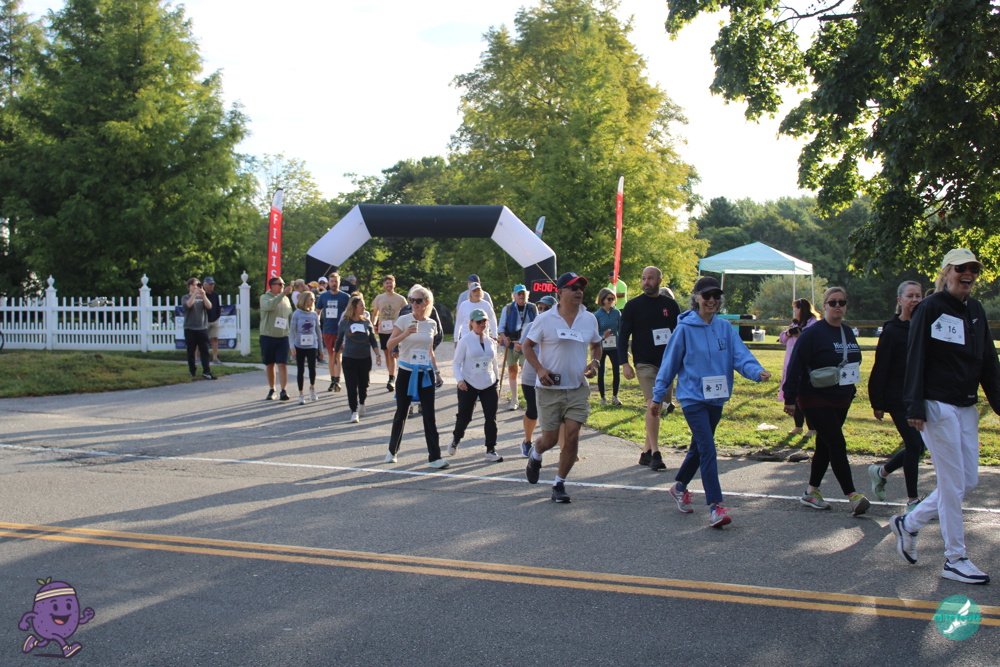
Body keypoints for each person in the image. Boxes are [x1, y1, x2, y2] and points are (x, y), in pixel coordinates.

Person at [891, 249, 999, 585]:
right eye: (962, 268)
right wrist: (914, 406)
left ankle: (909, 523)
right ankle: (955, 558)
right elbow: (916, 356)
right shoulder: (930, 308)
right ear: (946, 272)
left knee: (968, 481)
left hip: (966, 405)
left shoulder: (976, 310)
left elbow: (988, 362)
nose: (969, 274)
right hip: (936, 405)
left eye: (973, 270)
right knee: (952, 483)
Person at [651, 277, 771, 528]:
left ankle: (679, 487)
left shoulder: (725, 328)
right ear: (696, 298)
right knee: (708, 448)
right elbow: (669, 364)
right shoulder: (684, 329)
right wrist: (658, 396)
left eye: (716, 296)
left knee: (699, 448)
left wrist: (756, 372)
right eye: (706, 296)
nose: (712, 300)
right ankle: (716, 506)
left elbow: (740, 356)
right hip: (692, 398)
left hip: (716, 398)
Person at [783, 286, 870, 515]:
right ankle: (853, 495)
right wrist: (789, 398)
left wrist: (850, 391)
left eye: (842, 302)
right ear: (824, 306)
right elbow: (795, 365)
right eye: (833, 302)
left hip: (841, 398)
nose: (838, 306)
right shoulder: (812, 334)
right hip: (814, 397)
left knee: (825, 444)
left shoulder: (848, 332)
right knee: (837, 444)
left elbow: (854, 361)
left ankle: (811, 492)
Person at [522, 272, 602, 503]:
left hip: (577, 388)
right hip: (549, 389)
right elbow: (527, 346)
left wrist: (595, 362)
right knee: (549, 440)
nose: (579, 291)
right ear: (560, 292)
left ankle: (559, 484)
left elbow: (596, 345)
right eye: (573, 287)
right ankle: (536, 454)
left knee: (572, 436)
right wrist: (539, 369)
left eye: (581, 288)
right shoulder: (545, 319)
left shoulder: (589, 318)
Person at [867, 281, 925, 510]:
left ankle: (881, 472)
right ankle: (912, 501)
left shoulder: (925, 326)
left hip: (920, 396)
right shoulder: (892, 330)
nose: (915, 300)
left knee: (918, 447)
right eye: (910, 296)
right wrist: (877, 402)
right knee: (913, 444)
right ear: (900, 300)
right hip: (897, 397)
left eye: (918, 296)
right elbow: (881, 367)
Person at [617, 266, 681, 471]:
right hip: (644, 362)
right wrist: (624, 363)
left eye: (650, 278)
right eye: (643, 278)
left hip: (667, 364)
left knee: (658, 407)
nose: (646, 282)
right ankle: (655, 453)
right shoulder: (633, 306)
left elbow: (680, 334)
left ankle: (645, 452)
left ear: (659, 281)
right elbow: (623, 336)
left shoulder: (670, 305)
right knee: (654, 404)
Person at [385, 285, 449, 469]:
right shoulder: (404, 320)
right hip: (406, 371)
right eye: (412, 300)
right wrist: (406, 333)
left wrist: (437, 372)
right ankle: (392, 451)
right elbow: (389, 344)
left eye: (418, 300)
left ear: (427, 303)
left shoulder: (431, 324)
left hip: (425, 373)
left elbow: (430, 351)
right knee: (402, 412)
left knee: (429, 415)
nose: (414, 303)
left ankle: (435, 457)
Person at [448, 308, 503, 462]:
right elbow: (456, 363)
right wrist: (460, 380)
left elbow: (494, 363)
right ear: (471, 323)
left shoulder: (491, 341)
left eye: (484, 321)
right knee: (465, 417)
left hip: (489, 383)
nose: (481, 324)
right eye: (478, 321)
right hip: (469, 383)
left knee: (491, 417)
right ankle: (456, 438)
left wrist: (497, 381)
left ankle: (490, 449)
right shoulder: (465, 340)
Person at [516, 295, 556, 456]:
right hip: (531, 375)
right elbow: (522, 347)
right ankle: (527, 441)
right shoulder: (531, 326)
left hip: (552, 375)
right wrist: (518, 347)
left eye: (547, 308)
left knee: (556, 412)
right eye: (540, 308)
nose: (542, 311)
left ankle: (566, 447)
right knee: (533, 410)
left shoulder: (560, 327)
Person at [336, 293, 381, 423]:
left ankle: (362, 402)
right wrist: (335, 356)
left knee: (364, 384)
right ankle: (354, 411)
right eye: (362, 305)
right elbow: (339, 340)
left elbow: (372, 339)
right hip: (349, 358)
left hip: (364, 358)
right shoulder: (345, 322)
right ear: (354, 307)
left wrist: (377, 354)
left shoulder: (366, 322)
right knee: (351, 385)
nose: (364, 308)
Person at [779, 298, 820, 436]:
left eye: (796, 308)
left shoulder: (814, 324)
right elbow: (782, 339)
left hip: (807, 365)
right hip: (792, 365)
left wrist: (800, 335)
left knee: (807, 397)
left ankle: (812, 428)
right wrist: (789, 333)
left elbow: (814, 340)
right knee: (795, 395)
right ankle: (798, 425)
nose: (794, 311)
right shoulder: (795, 323)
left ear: (802, 309)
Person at [497, 284, 537, 411]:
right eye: (519, 294)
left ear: (527, 294)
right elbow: (501, 328)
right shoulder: (508, 309)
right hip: (511, 344)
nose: (521, 296)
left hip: (527, 345)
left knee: (526, 370)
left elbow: (537, 325)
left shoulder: (532, 308)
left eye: (523, 293)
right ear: (514, 295)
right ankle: (514, 399)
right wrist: (505, 338)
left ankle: (529, 398)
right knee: (512, 371)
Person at [371, 275, 407, 393]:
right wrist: (373, 325)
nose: (389, 285)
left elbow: (406, 313)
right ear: (383, 285)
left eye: (391, 283)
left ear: (394, 284)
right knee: (387, 354)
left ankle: (392, 379)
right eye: (387, 283)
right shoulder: (379, 298)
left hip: (395, 330)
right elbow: (375, 313)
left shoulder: (400, 299)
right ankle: (391, 375)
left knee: (392, 354)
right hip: (383, 330)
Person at [260, 276, 293, 401]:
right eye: (279, 284)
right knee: (270, 364)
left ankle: (283, 390)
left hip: (283, 336)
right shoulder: (265, 297)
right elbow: (269, 306)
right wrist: (282, 294)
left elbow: (289, 315)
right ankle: (272, 388)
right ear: (272, 285)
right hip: (268, 336)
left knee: (282, 363)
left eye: (283, 284)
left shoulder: (286, 299)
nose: (282, 286)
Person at [317, 272, 351, 392]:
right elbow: (317, 312)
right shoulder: (323, 296)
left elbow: (350, 312)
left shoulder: (345, 297)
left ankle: (337, 380)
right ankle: (333, 380)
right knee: (331, 355)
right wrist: (316, 325)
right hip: (327, 329)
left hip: (340, 331)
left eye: (336, 281)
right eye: (332, 281)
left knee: (338, 354)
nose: (334, 283)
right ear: (328, 283)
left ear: (339, 282)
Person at [290, 290, 322, 404]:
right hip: (299, 344)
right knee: (300, 369)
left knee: (312, 368)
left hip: (312, 344)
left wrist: (320, 349)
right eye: (311, 299)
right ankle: (301, 393)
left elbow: (318, 332)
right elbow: (291, 331)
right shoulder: (297, 314)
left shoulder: (314, 314)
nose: (313, 301)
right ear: (305, 300)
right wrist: (292, 346)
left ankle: (312, 387)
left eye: (314, 299)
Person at [183, 277, 216, 380]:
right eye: (193, 285)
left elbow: (209, 306)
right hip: (190, 328)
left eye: (197, 285)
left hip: (202, 328)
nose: (195, 287)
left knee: (204, 351)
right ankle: (192, 371)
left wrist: (203, 295)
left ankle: (207, 371)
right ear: (189, 286)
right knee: (191, 351)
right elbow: (188, 305)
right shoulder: (186, 297)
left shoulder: (202, 297)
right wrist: (194, 294)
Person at [594, 288, 622, 405]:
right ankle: (603, 398)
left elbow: (620, 329)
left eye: (613, 299)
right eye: (609, 299)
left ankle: (615, 396)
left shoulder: (617, 313)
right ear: (602, 299)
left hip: (614, 346)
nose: (611, 301)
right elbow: (594, 333)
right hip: (602, 346)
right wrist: (602, 336)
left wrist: (623, 347)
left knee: (616, 371)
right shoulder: (597, 315)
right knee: (601, 371)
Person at [203, 277, 222, 364]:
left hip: (214, 320)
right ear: (205, 285)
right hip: (204, 320)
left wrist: (217, 316)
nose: (212, 286)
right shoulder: (202, 295)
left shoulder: (215, 294)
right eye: (210, 284)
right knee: (202, 340)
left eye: (212, 284)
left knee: (215, 338)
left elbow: (217, 306)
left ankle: (215, 358)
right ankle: (198, 358)